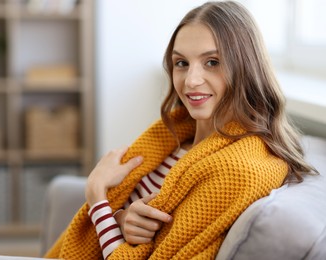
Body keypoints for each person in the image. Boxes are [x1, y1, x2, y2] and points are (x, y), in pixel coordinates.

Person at [45, 1, 316, 259]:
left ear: (246, 67)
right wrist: (120, 219)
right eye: (181, 63)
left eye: (212, 62)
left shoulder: (236, 170)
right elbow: (131, 229)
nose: (191, 80)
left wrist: (97, 194)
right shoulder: (174, 135)